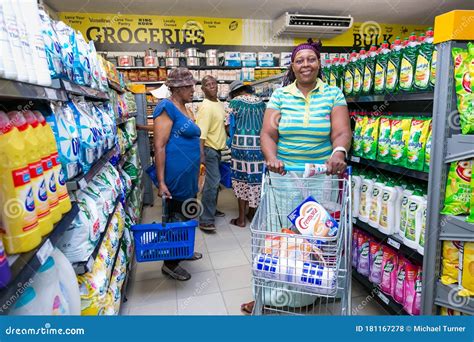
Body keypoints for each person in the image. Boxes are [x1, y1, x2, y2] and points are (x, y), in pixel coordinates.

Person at [240, 39, 352, 314]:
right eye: (300, 60)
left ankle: (313, 290)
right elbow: (268, 133)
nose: (306, 65)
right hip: (284, 176)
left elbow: (341, 131)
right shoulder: (280, 96)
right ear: (292, 65)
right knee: (279, 237)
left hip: (320, 176)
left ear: (319, 63)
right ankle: (268, 294)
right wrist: (271, 158)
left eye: (311, 59)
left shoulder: (333, 94)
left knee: (315, 239)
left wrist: (338, 152)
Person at [152, 67, 203, 281]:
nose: (192, 89)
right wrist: (161, 181)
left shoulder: (185, 107)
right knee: (176, 216)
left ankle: (184, 249)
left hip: (190, 174)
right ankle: (170, 264)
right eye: (188, 86)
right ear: (176, 88)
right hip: (175, 175)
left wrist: (201, 167)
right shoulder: (166, 107)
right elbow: (160, 145)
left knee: (188, 211)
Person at [226, 81, 265, 228]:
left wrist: (230, 141)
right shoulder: (261, 102)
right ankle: (252, 213)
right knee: (254, 179)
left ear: (235, 93)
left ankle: (241, 218)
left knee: (241, 179)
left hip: (240, 147)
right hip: (259, 147)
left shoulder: (234, 103)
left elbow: (229, 126)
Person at [196, 76, 227, 232]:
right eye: (207, 85)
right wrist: (202, 157)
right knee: (212, 184)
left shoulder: (218, 104)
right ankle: (205, 219)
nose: (212, 86)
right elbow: (201, 135)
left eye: (214, 83)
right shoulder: (206, 106)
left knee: (215, 183)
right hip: (209, 150)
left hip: (217, 149)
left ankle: (212, 210)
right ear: (203, 90)